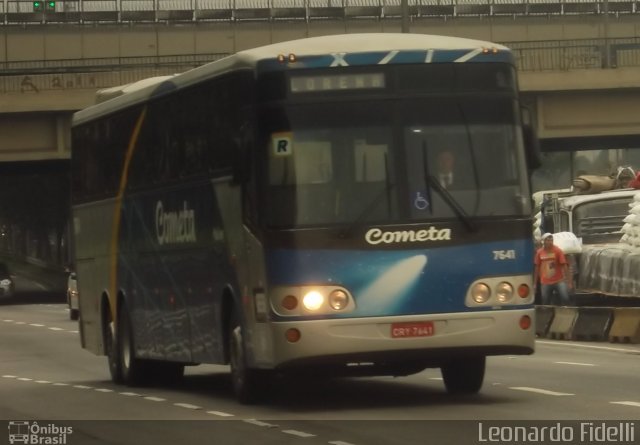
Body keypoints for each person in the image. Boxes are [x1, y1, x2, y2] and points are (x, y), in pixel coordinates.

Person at [534, 233, 572, 306]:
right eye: (547, 240)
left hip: (558, 281)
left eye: (551, 240)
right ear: (543, 241)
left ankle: (567, 312)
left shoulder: (558, 251)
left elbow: (564, 266)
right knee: (545, 302)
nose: (550, 242)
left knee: (565, 298)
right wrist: (535, 284)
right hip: (545, 282)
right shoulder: (539, 252)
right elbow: (537, 268)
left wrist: (569, 282)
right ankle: (547, 315)